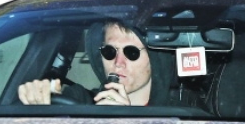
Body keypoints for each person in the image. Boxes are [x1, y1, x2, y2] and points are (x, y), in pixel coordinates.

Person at [17, 21, 154, 106]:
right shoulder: (81, 101)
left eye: (131, 53)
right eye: (109, 51)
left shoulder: (166, 114)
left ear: (154, 57)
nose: (118, 63)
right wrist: (39, 99)